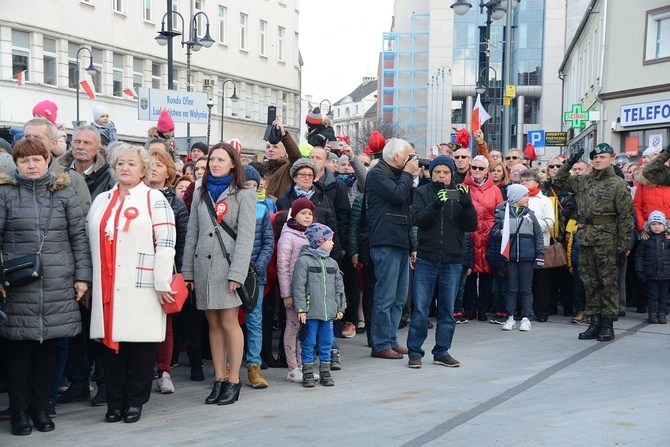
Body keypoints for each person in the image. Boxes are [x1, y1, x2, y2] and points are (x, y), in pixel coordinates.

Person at [0, 138, 91, 436]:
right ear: (16, 164)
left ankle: (41, 407)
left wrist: (82, 277)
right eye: (24, 160)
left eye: (37, 159)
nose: (31, 165)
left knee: (49, 349)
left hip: (56, 282)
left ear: (46, 159)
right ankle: (19, 411)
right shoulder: (5, 193)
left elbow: (79, 238)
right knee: (18, 350)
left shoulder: (63, 193)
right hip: (17, 285)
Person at [87, 144, 176, 424]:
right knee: (112, 346)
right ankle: (114, 401)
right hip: (108, 282)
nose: (125, 168)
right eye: (120, 163)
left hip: (144, 283)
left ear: (143, 169)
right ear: (113, 167)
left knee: (140, 346)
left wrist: (162, 282)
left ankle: (135, 401)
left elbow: (166, 242)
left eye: (132, 164)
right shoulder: (101, 199)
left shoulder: (154, 198)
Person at [182, 142, 256, 405]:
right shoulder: (201, 191)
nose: (214, 164)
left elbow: (246, 238)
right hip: (203, 267)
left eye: (221, 160)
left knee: (228, 323)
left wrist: (237, 272)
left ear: (233, 163)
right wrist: (187, 271)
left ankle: (234, 380)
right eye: (212, 159)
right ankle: (219, 378)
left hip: (227, 269)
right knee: (212, 324)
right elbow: (192, 233)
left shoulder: (244, 194)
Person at [552, 144, 633, 341]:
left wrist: (623, 246)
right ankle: (594, 321)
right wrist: (569, 162)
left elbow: (625, 217)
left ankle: (607, 324)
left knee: (607, 284)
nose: (598, 160)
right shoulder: (584, 181)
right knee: (590, 282)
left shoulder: (617, 184)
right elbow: (558, 181)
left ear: (611, 159)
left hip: (608, 240)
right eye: (595, 157)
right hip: (586, 238)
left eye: (602, 157)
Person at [407, 155, 477, 369]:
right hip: (427, 258)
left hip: (452, 260)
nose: (442, 175)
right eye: (438, 171)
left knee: (447, 310)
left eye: (446, 172)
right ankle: (415, 352)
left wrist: (467, 205)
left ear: (451, 174)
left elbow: (471, 225)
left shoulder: (461, 193)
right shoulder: (421, 192)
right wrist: (436, 203)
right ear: (431, 172)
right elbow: (418, 220)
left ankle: (442, 351)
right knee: (420, 308)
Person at [367, 138, 418, 359]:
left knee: (399, 298)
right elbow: (397, 195)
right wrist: (407, 174)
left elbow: (409, 205)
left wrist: (413, 244)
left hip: (400, 241)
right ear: (397, 157)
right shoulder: (377, 174)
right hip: (385, 240)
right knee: (385, 297)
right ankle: (380, 344)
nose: (412, 160)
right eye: (409, 156)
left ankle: (391, 339)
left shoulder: (398, 176)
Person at [148, 149, 189, 394]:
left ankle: (164, 371)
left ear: (169, 173)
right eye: (149, 164)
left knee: (166, 324)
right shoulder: (132, 197)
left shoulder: (175, 203)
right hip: (137, 269)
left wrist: (181, 273)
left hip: (165, 269)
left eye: (159, 165)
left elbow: (182, 240)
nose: (153, 168)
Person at [293, 223, 345, 387]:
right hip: (310, 313)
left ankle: (325, 372)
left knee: (326, 342)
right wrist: (301, 308)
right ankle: (307, 372)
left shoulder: (332, 263)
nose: (333, 243)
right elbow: (298, 286)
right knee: (307, 342)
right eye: (329, 240)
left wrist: (340, 307)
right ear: (318, 241)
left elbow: (339, 287)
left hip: (328, 313)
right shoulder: (303, 261)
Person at [491, 184, 544, 332]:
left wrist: (540, 255)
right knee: (511, 289)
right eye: (525, 195)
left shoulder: (531, 215)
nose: (528, 198)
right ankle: (510, 317)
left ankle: (526, 317)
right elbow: (494, 234)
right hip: (510, 258)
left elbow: (538, 236)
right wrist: (501, 232)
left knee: (526, 289)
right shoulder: (502, 214)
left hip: (527, 257)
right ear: (515, 197)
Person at [241, 165, 274, 389]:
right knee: (230, 321)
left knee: (254, 320)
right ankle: (226, 364)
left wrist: (259, 266)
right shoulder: (228, 208)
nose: (251, 189)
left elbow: (268, 242)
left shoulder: (262, 210)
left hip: (255, 275)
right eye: (246, 185)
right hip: (232, 273)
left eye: (254, 185)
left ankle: (254, 365)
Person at [277, 198, 315, 382]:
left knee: (303, 329)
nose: (307, 216)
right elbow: (282, 266)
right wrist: (286, 294)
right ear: (294, 214)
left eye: (310, 213)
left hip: (307, 291)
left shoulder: (310, 234)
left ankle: (302, 365)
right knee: (292, 327)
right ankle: (292, 368)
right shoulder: (288, 235)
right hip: (293, 292)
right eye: (303, 213)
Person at [462, 155, 503, 321]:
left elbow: (499, 213)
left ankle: (483, 309)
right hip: (469, 235)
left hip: (488, 235)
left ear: (487, 170)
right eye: (474, 167)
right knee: (470, 273)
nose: (476, 171)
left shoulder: (495, 190)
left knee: (487, 273)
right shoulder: (462, 187)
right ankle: (471, 308)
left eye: (481, 168)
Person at [519, 169, 555, 322]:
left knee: (541, 281)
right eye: (521, 181)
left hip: (540, 245)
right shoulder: (518, 198)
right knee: (525, 281)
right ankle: (524, 310)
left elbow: (550, 223)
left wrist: (530, 221)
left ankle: (542, 311)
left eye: (527, 180)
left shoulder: (544, 200)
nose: (524, 183)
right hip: (522, 246)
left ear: (536, 182)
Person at [635, 211, 670, 324]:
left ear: (664, 225)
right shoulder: (645, 241)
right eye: (653, 224)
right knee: (652, 295)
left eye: (659, 224)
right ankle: (652, 314)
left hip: (665, 273)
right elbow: (639, 256)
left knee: (663, 296)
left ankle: (661, 314)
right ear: (649, 226)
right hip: (650, 273)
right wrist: (640, 271)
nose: (656, 227)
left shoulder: (668, 240)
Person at [264, 117, 302, 199]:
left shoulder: (287, 168)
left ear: (283, 153)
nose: (270, 149)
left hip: (281, 209)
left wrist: (284, 134)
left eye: (275, 147)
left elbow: (297, 157)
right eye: (268, 147)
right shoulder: (260, 170)